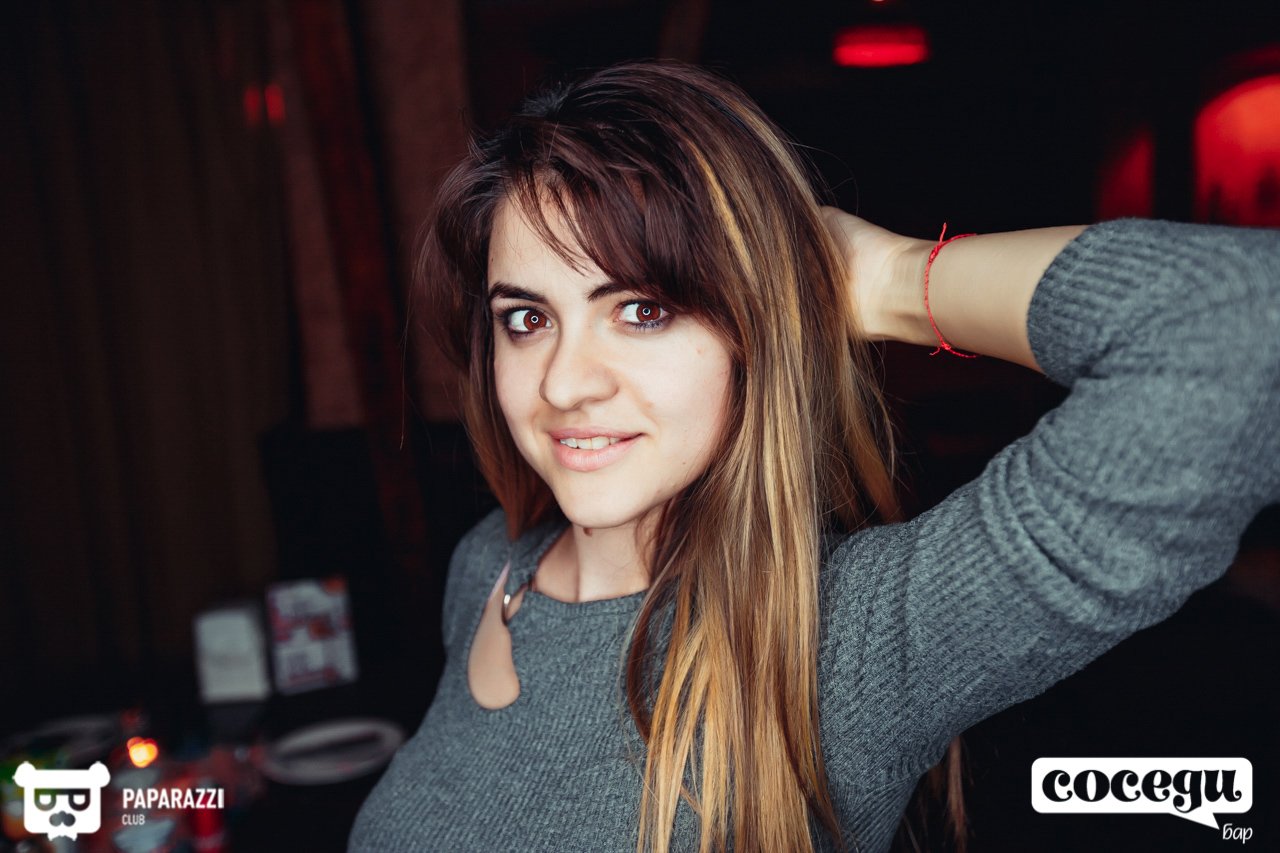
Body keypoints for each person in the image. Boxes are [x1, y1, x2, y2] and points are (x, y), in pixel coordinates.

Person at [348, 60, 1279, 852]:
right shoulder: (487, 567)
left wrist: (885, 278)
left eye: (643, 309)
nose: (563, 382)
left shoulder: (845, 644)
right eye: (526, 318)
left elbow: (1242, 334)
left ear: (753, 332)